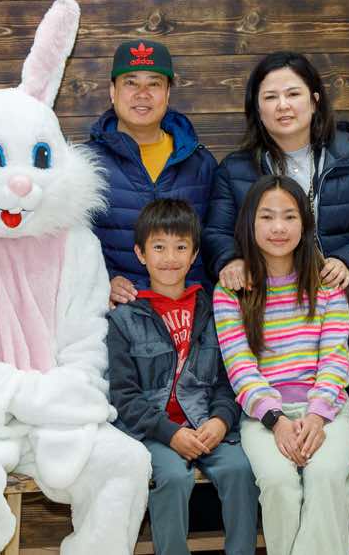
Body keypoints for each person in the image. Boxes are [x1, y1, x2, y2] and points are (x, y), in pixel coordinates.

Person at [202, 51, 349, 555]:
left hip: (338, 321)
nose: (283, 105)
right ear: (256, 107)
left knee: (338, 460)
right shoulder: (237, 169)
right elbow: (216, 232)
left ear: (314, 99)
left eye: (293, 93)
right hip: (261, 331)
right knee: (284, 480)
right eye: (270, 96)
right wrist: (232, 260)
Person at [213, 175, 349, 555]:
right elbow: (240, 367)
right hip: (263, 416)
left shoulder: (326, 284)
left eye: (289, 216)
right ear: (249, 223)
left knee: (326, 475)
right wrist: (276, 420)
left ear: (305, 224)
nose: (278, 227)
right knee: (278, 482)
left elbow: (335, 358)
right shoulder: (231, 290)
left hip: (327, 410)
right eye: (267, 216)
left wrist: (316, 416)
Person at [107, 198, 259, 555]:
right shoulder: (124, 318)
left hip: (208, 426)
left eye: (181, 247)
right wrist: (170, 433)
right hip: (154, 433)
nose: (170, 257)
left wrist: (221, 421)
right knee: (173, 477)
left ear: (194, 255)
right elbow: (123, 396)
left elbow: (229, 379)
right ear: (140, 254)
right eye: (158, 247)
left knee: (240, 470)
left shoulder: (215, 310)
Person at [89, 39, 217, 305]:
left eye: (154, 84)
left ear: (168, 93)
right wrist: (102, 281)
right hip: (121, 315)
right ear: (112, 91)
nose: (142, 93)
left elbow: (216, 240)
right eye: (131, 83)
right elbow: (68, 243)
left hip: (190, 315)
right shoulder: (86, 164)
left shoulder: (200, 163)